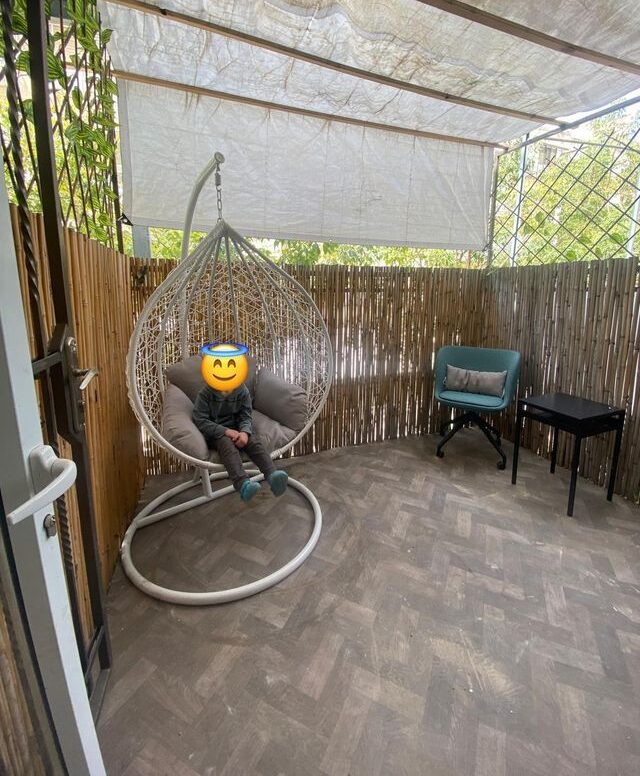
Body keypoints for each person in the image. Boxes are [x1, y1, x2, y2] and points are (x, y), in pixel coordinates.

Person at [192, 376, 288, 502]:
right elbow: (200, 420)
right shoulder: (206, 393)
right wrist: (226, 431)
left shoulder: (242, 390)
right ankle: (242, 484)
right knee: (226, 444)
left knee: (253, 441)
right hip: (215, 432)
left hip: (238, 428)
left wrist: (244, 432)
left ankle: (272, 475)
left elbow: (246, 415)